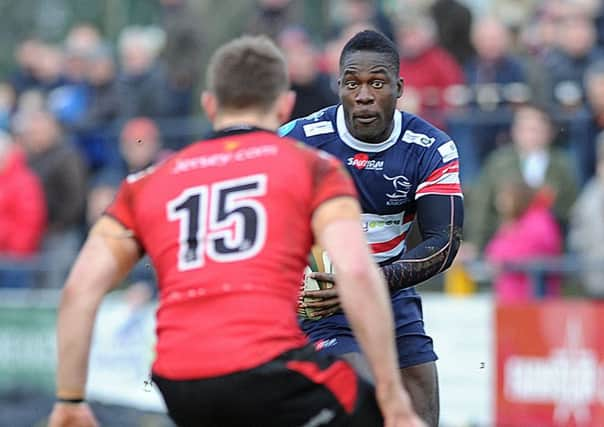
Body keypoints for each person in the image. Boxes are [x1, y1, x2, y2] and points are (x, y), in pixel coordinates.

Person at [48, 35, 424, 427]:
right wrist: (392, 396)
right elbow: (359, 275)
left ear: (209, 104)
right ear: (285, 106)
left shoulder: (147, 181)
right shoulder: (314, 168)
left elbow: (79, 289)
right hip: (268, 366)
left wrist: (70, 399)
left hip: (178, 379)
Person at [279, 29, 464, 427]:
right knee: (368, 404)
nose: (363, 95)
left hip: (389, 291)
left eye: (376, 83)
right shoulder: (298, 142)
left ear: (398, 88)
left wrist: (364, 284)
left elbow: (442, 244)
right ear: (338, 86)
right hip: (322, 298)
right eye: (352, 83)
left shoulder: (431, 148)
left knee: (421, 413)